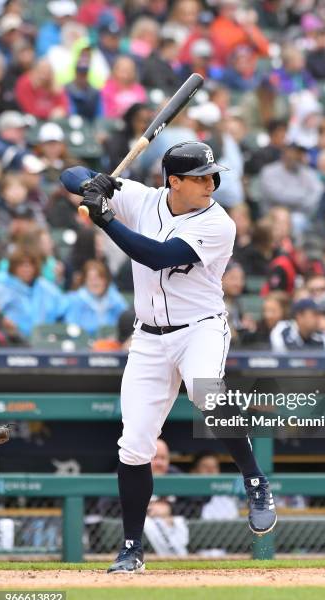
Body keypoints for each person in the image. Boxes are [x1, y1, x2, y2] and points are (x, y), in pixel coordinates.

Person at [60, 140, 277, 573]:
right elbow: (69, 174)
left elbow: (157, 257)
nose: (210, 182)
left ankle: (255, 480)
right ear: (173, 181)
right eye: (199, 177)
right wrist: (94, 183)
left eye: (212, 175)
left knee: (205, 393)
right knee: (135, 445)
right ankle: (131, 548)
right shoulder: (143, 199)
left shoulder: (219, 223)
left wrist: (105, 219)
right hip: (148, 338)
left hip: (200, 328)